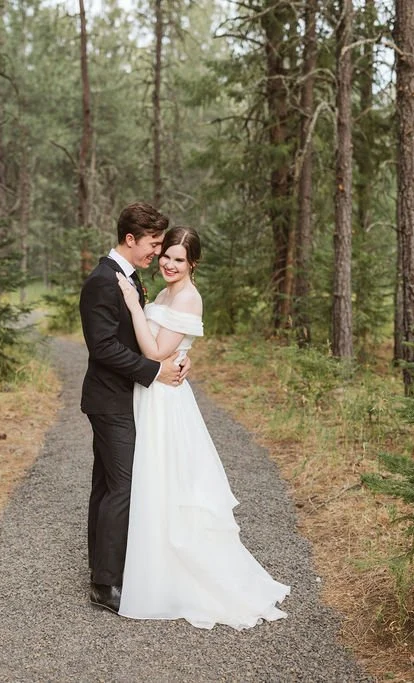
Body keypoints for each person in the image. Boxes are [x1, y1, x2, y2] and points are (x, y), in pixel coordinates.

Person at [114, 226, 290, 630]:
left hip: (165, 400)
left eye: (178, 259)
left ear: (193, 263)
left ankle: (175, 576)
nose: (169, 264)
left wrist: (132, 305)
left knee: (169, 481)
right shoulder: (162, 294)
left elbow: (157, 352)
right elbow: (165, 349)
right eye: (166, 256)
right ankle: (151, 568)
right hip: (152, 392)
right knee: (152, 481)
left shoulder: (189, 298)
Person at [79, 202, 189, 614]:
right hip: (110, 399)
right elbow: (103, 347)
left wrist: (176, 355)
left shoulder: (129, 278)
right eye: (153, 244)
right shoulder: (103, 281)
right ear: (130, 239)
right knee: (120, 487)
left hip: (124, 397)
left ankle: (105, 569)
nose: (157, 253)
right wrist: (155, 371)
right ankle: (106, 585)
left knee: (109, 485)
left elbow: (143, 334)